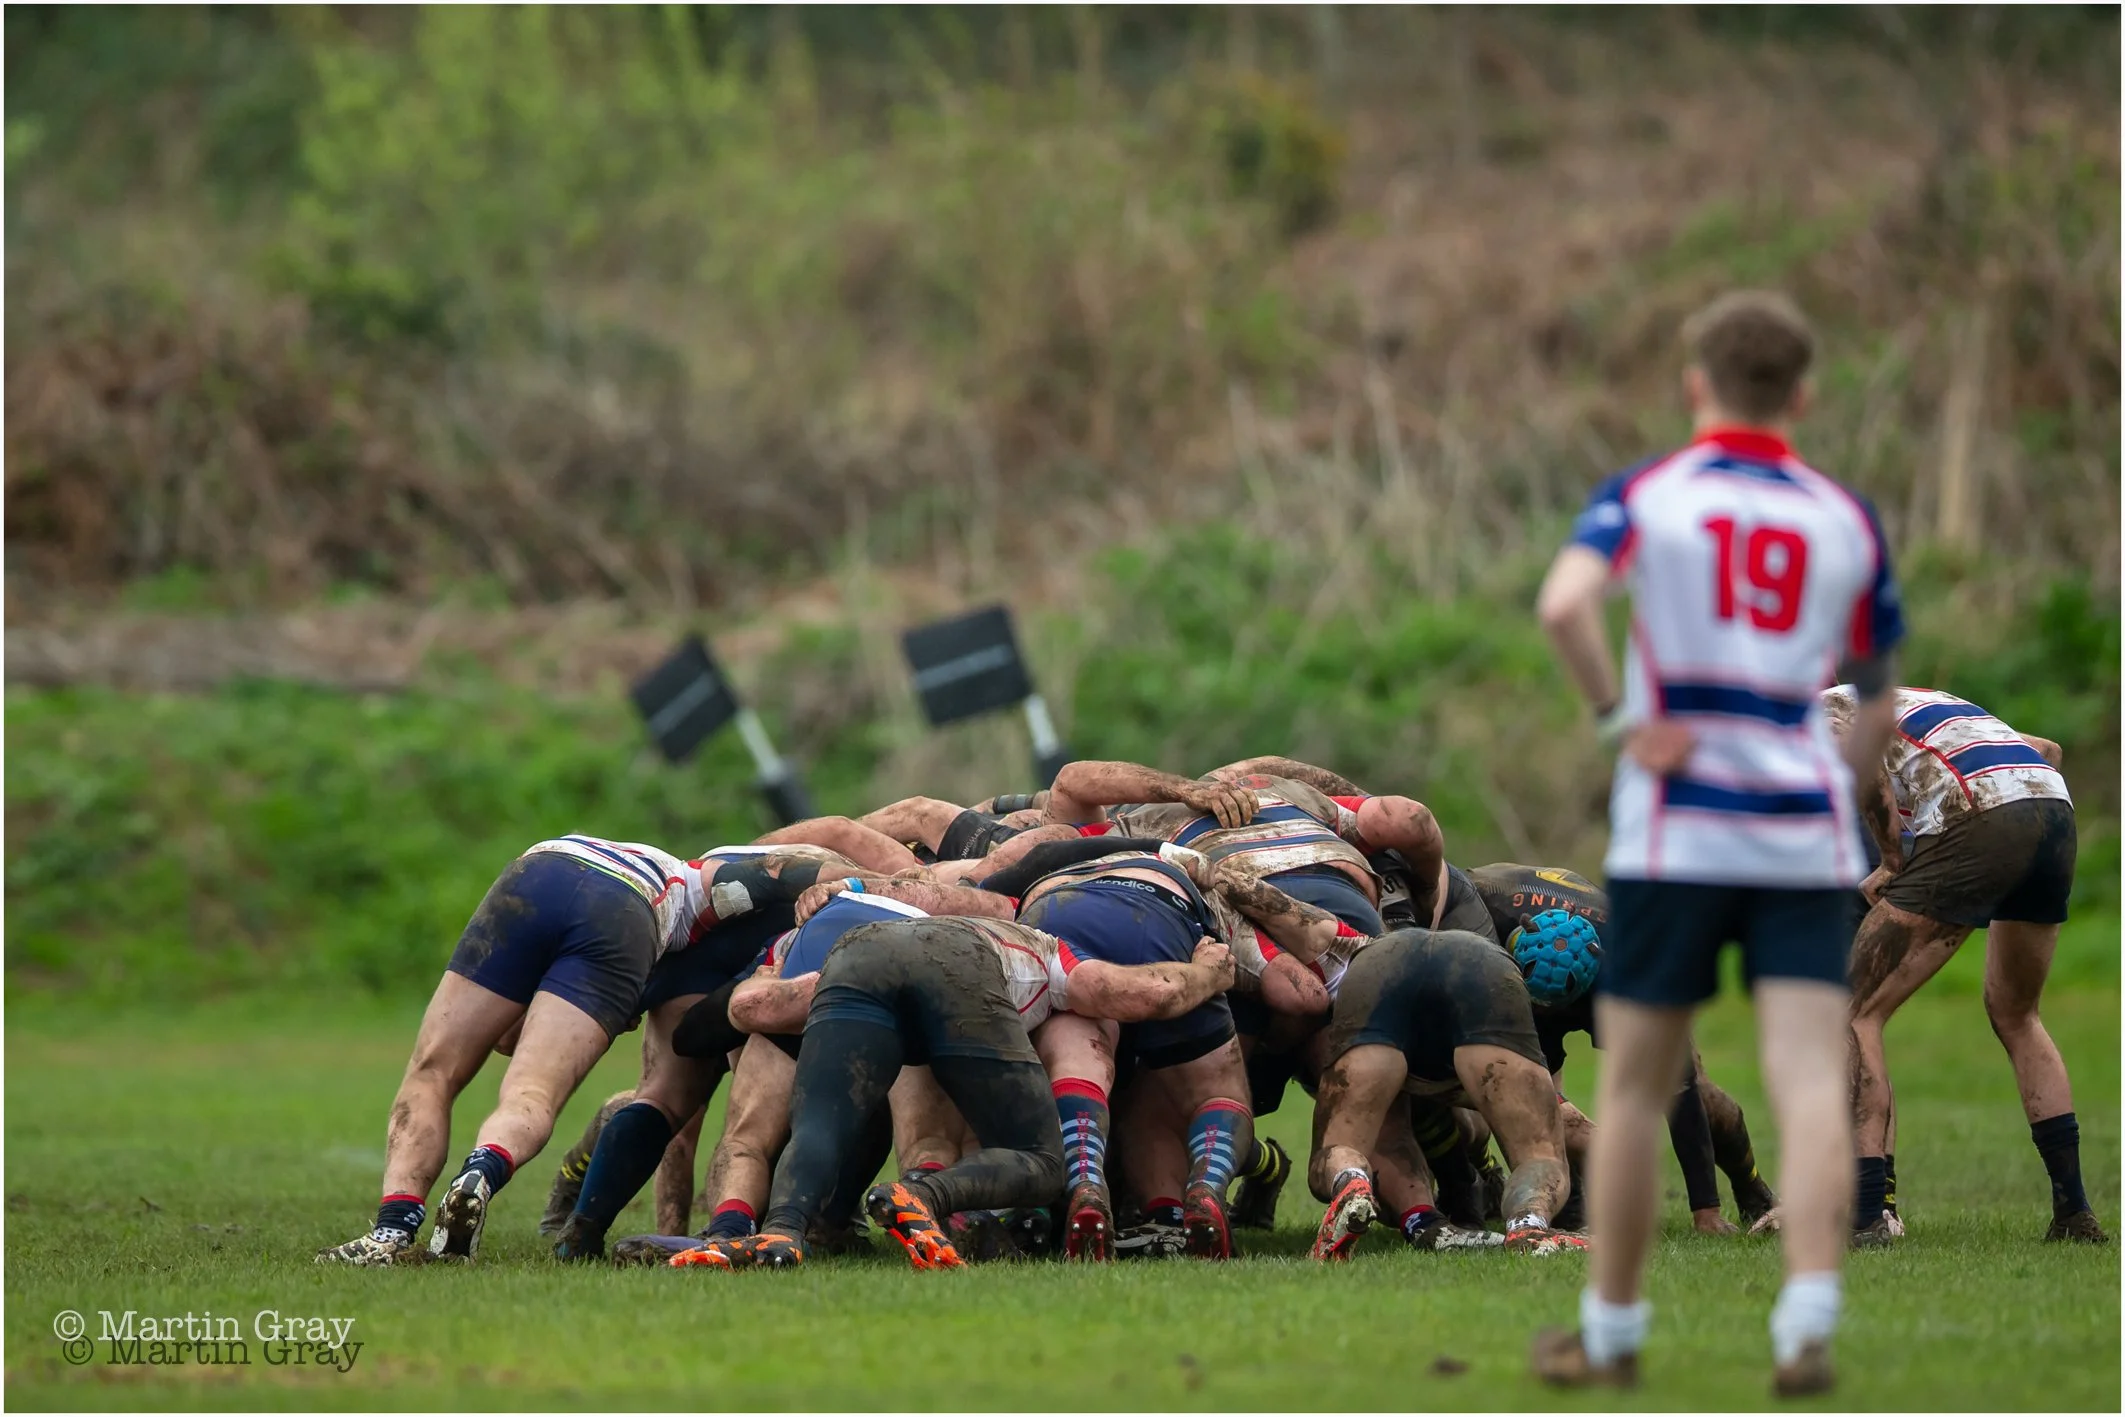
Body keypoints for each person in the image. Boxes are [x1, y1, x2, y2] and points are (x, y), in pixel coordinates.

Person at [1529, 290, 1903, 1397]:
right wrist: (1828, 790)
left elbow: (1563, 606)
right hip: (1797, 836)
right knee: (1805, 1077)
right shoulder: (1843, 518)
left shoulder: (1648, 492)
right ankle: (1805, 1321)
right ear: (1802, 396)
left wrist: (1618, 723)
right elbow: (1877, 701)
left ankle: (1610, 1333)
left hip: (1676, 829)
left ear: (1696, 385)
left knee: (1637, 1085)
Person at [670, 912, 1234, 1271]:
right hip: (960, 963)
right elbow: (1145, 994)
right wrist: (1211, 972)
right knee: (1044, 1162)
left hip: (855, 954)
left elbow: (752, 1010)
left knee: (823, 1123)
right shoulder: (1050, 949)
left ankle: (780, 1234)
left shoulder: (883, 921)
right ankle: (924, 1196)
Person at [316, 833, 744, 1265]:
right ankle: (480, 1172)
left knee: (432, 1071)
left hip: (541, 871)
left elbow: (505, 1036)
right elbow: (778, 865)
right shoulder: (705, 891)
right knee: (532, 1092)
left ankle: (391, 1231)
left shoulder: (709, 874)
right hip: (624, 910)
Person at [1821, 685, 2104, 1245]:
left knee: (1852, 1011)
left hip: (1977, 817)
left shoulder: (1819, 709)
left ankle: (1868, 1217)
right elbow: (2046, 751)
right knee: (2017, 1014)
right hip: (2052, 810)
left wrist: (1893, 859)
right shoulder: (1918, 702)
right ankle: (2074, 1213)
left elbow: (1864, 767)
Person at [1467, 864, 1778, 1233]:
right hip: (1516, 968)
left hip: (1615, 979)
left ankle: (1751, 1187)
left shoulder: (1639, 978)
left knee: (1702, 1095)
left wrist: (1705, 1211)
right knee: (1530, 1096)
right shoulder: (1482, 914)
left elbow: (1680, 1095)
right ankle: (1557, 1204)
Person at [1307, 927, 1583, 1261]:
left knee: (1340, 1146)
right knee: (1539, 1156)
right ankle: (1528, 1223)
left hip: (1378, 965)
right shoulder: (1484, 923)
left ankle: (1351, 1180)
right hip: (1481, 966)